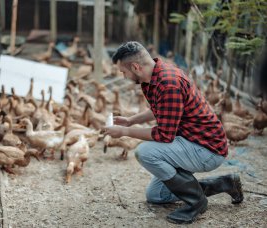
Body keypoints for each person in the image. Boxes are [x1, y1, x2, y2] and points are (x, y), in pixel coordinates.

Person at [103, 41, 243, 224]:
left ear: (136, 67)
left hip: (207, 149)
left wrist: (125, 131)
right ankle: (224, 183)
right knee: (156, 195)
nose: (123, 76)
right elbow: (162, 109)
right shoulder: (152, 78)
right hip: (188, 140)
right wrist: (131, 120)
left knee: (144, 152)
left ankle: (197, 202)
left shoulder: (168, 83)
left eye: (124, 72)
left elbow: (164, 135)